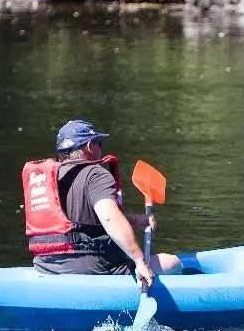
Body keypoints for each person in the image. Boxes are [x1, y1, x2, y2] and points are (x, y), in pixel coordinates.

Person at [22, 120, 181, 287]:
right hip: (94, 269)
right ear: (90, 146)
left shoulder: (51, 178)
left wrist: (134, 221)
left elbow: (80, 223)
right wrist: (140, 262)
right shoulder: (95, 174)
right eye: (99, 143)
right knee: (172, 263)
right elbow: (109, 218)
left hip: (46, 268)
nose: (100, 148)